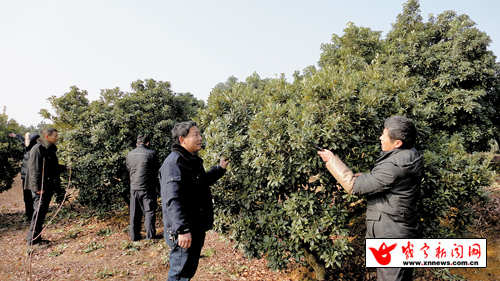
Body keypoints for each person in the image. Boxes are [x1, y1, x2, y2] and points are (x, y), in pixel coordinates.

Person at [318, 116, 423, 281]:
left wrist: (331, 160)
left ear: (398, 143)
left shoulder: (393, 167)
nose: (381, 138)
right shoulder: (409, 156)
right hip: (397, 231)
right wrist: (370, 178)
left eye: (384, 135)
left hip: (392, 237)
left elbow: (353, 185)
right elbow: (387, 182)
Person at [159, 121, 229, 280]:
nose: (200, 138)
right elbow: (173, 200)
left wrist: (219, 169)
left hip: (195, 227)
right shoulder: (174, 163)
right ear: (182, 140)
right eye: (195, 135)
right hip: (183, 232)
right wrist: (182, 230)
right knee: (179, 275)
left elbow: (201, 182)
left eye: (199, 134)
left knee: (187, 272)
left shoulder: (191, 160)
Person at [25, 128, 65, 246]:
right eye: (55, 136)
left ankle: (37, 238)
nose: (57, 138)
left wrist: (65, 168)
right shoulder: (38, 149)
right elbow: (34, 169)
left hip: (47, 186)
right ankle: (32, 241)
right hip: (40, 187)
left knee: (41, 213)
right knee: (38, 213)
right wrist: (37, 187)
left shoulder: (49, 150)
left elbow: (51, 167)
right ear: (47, 136)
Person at [126, 134, 160, 241]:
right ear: (147, 143)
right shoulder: (151, 154)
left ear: (136, 144)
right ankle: (150, 236)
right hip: (148, 187)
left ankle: (134, 236)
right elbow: (156, 171)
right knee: (149, 211)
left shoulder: (129, 154)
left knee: (134, 212)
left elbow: (128, 169)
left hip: (134, 187)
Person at [9, 132, 40, 223]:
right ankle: (30, 217)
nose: (25, 141)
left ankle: (35, 217)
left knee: (33, 197)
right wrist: (16, 136)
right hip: (25, 177)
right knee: (27, 198)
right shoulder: (29, 147)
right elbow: (23, 140)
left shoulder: (35, 149)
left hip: (32, 177)